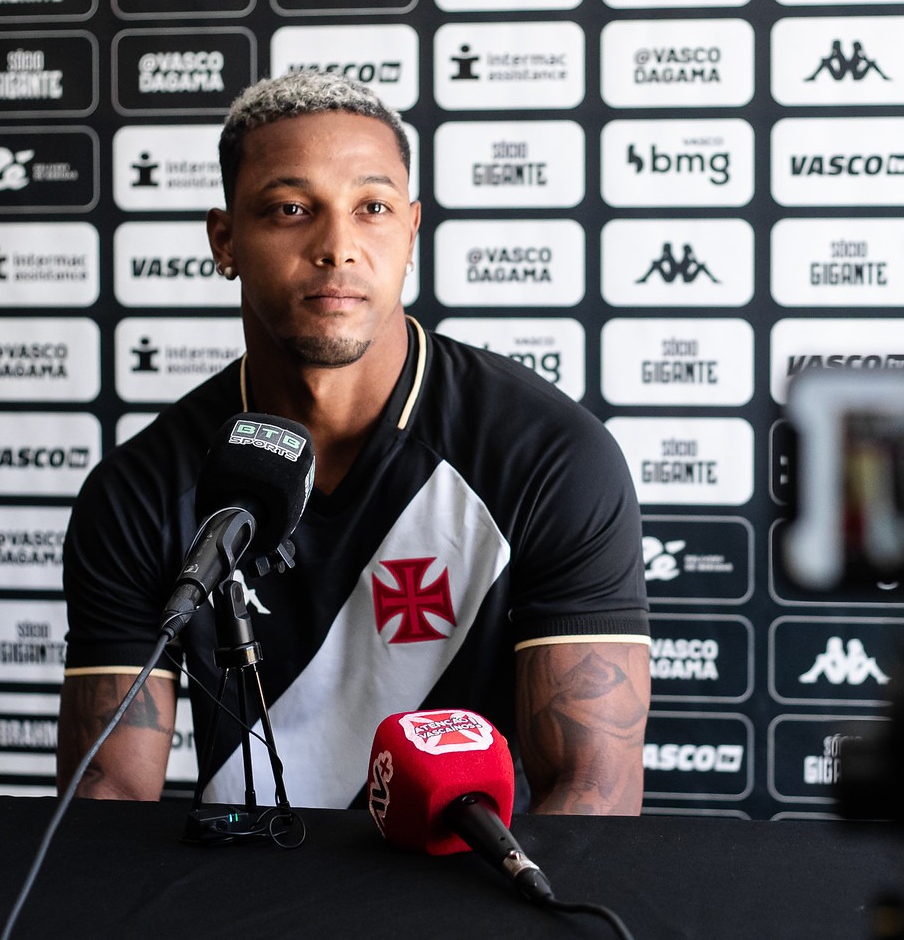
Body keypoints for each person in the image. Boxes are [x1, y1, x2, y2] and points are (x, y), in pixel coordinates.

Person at [56, 70, 652, 815]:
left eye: (372, 207)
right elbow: (106, 795)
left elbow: (592, 789)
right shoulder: (143, 487)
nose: (337, 247)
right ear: (225, 240)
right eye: (290, 209)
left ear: (411, 230)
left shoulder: (550, 458)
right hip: (243, 884)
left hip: (467, 891)